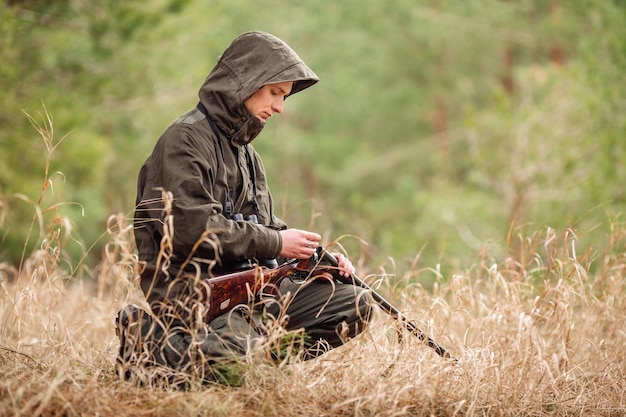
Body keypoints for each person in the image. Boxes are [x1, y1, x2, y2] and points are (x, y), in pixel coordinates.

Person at [116, 31, 372, 384]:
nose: (281, 107)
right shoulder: (185, 140)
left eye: (284, 96)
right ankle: (150, 344)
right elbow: (191, 229)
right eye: (275, 93)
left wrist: (316, 259)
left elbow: (266, 228)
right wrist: (277, 243)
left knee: (352, 303)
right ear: (245, 84)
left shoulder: (247, 154)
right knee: (234, 363)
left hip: (251, 294)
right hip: (193, 294)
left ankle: (233, 358)